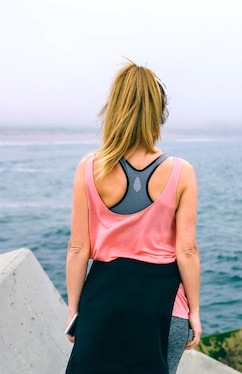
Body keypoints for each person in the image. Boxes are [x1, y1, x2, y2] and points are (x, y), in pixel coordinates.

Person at [64, 61, 201, 373]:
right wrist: (194, 310)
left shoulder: (89, 168)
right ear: (159, 114)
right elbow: (187, 250)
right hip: (166, 311)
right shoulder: (182, 172)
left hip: (102, 307)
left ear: (113, 109)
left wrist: (74, 309)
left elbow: (77, 248)